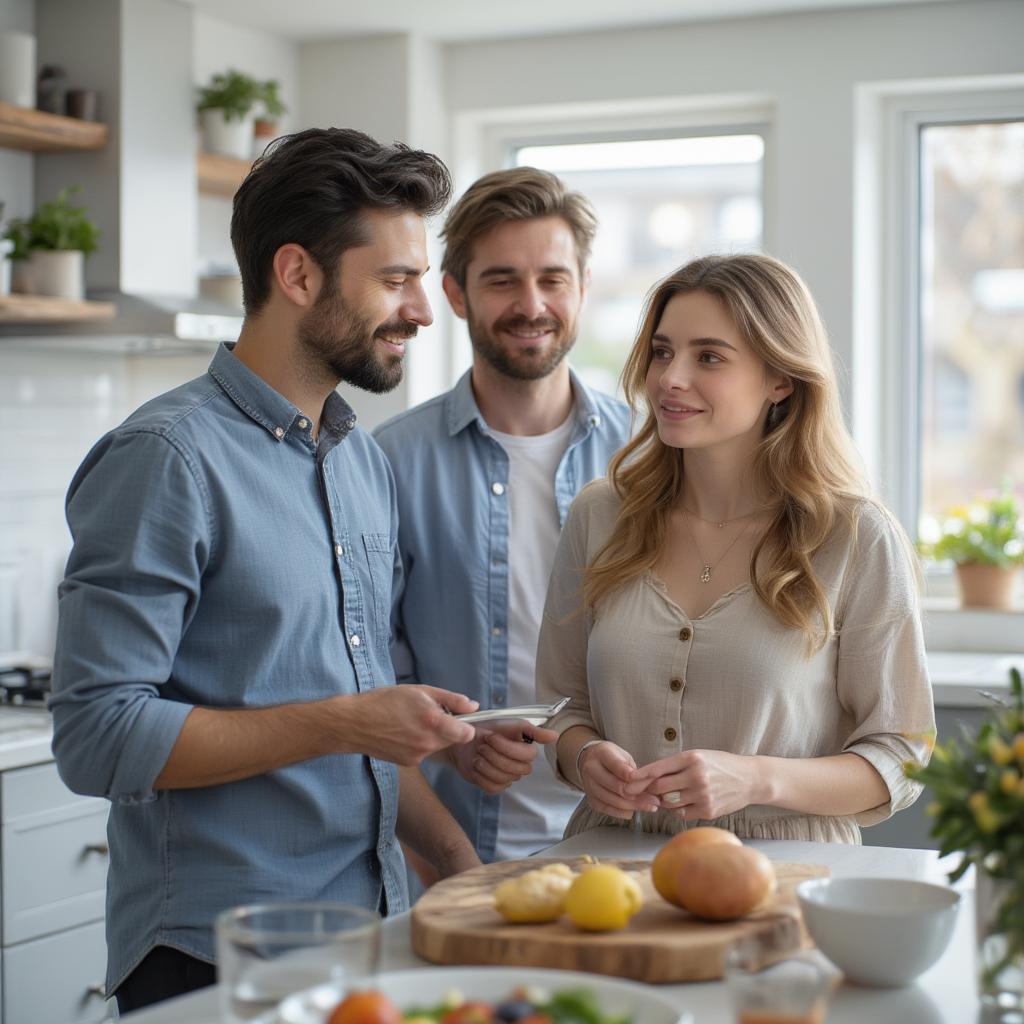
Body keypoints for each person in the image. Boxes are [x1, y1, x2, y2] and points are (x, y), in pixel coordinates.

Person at [49, 128, 484, 1015]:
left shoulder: (361, 463)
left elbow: (360, 727)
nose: (423, 310)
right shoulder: (166, 457)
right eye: (395, 279)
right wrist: (347, 720)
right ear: (298, 275)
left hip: (369, 930)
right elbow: (97, 736)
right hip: (216, 957)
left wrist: (461, 869)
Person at [537, 253, 935, 843]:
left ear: (780, 379)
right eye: (663, 351)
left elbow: (903, 755)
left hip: (788, 876)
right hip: (610, 874)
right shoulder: (600, 516)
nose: (671, 378)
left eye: (710, 357)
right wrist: (584, 756)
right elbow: (560, 709)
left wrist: (755, 779)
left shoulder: (855, 536)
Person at [373, 168, 631, 868]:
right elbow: (366, 667)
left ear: (582, 286)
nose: (532, 303)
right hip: (453, 850)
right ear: (454, 293)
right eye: (502, 280)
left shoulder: (651, 457)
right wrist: (450, 741)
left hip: (627, 839)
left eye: (553, 278)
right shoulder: (386, 463)